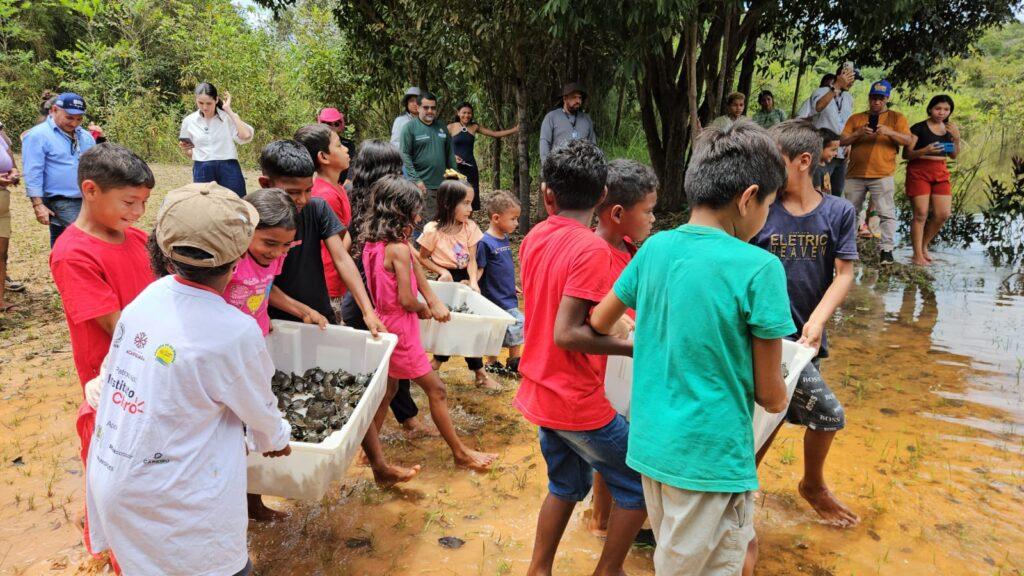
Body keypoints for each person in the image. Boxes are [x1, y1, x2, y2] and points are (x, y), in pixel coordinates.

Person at [588, 121, 792, 575]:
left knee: (684, 553)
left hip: (650, 447)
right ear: (747, 197)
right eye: (769, 206)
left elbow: (601, 320)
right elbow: (770, 394)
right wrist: (784, 388)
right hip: (709, 458)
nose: (766, 217)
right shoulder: (760, 268)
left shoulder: (655, 247)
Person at [86, 182, 292, 576]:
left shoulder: (147, 298)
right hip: (177, 498)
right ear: (239, 254)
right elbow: (261, 410)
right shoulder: (234, 330)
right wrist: (276, 440)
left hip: (116, 480)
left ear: (165, 249)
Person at [516, 140, 645, 576]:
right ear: (604, 196)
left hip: (540, 391)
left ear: (547, 194)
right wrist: (637, 346)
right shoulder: (590, 249)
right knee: (640, 484)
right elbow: (568, 333)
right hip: (575, 400)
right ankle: (608, 571)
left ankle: (539, 569)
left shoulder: (535, 235)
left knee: (566, 485)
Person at [747, 119, 859, 572]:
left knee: (772, 415)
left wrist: (817, 320)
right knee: (823, 413)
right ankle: (799, 486)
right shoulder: (761, 207)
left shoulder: (837, 212)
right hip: (767, 337)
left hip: (805, 340)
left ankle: (750, 487)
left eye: (776, 160)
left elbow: (844, 273)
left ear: (803, 162)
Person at [48, 143, 155, 570]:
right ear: (90, 190)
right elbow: (120, 328)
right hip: (113, 381)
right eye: (130, 202)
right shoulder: (73, 254)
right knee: (115, 471)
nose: (139, 213)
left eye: (144, 203)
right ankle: (115, 550)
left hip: (153, 368)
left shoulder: (139, 238)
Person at [360, 174, 499, 471]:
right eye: (415, 211)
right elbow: (407, 300)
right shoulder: (397, 248)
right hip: (401, 327)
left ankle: (366, 452)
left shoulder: (374, 243)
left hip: (386, 322)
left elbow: (412, 271)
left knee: (388, 390)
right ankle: (460, 453)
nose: (420, 215)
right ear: (400, 211)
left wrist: (433, 301)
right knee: (437, 390)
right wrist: (427, 309)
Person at [341, 140, 439, 439]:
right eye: (395, 167)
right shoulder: (360, 202)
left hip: (375, 295)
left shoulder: (382, 208)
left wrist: (430, 295)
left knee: (389, 378)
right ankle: (384, 431)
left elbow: (407, 254)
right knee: (385, 377)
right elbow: (342, 252)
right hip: (375, 301)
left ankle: (388, 427)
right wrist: (421, 304)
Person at [588, 158, 658, 540]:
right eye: (647, 211)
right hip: (609, 364)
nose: (652, 219)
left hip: (628, 358)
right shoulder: (596, 254)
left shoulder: (631, 248)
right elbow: (596, 315)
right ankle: (600, 521)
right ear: (617, 212)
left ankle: (607, 516)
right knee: (609, 450)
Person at [257, 140, 385, 336]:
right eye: (292, 193)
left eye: (308, 189)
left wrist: (368, 311)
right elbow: (257, 280)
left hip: (319, 313)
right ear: (266, 184)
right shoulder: (253, 219)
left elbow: (342, 259)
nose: (303, 199)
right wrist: (302, 311)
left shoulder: (317, 209)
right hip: (274, 320)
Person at [417, 176, 500, 390]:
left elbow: (472, 259)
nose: (470, 209)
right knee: (446, 324)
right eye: (465, 203)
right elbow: (422, 257)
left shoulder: (470, 227)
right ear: (447, 203)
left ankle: (478, 373)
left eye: (471, 203)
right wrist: (441, 271)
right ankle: (435, 364)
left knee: (470, 327)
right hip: (445, 282)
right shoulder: (432, 230)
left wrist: (473, 281)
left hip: (465, 279)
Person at [840, 80, 912, 264]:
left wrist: (888, 132)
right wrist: (858, 134)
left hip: (882, 173)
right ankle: (848, 247)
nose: (876, 102)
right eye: (873, 98)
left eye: (881, 98)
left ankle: (886, 250)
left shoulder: (897, 118)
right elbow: (841, 141)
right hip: (855, 173)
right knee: (850, 211)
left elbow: (907, 140)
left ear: (887, 98)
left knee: (886, 212)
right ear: (869, 98)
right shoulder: (856, 118)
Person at [294, 123, 353, 322]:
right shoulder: (325, 195)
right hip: (330, 280)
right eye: (338, 146)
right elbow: (337, 244)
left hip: (338, 275)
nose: (346, 149)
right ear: (324, 157)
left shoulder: (338, 187)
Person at [22, 92, 97, 246]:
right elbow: (33, 172)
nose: (74, 123)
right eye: (69, 117)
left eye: (79, 119)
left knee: (62, 240)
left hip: (87, 199)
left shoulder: (85, 136)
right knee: (89, 238)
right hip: (60, 199)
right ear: (54, 110)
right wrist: (38, 205)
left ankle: (60, 269)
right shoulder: (38, 135)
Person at [904, 95, 960, 266]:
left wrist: (956, 138)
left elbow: (954, 155)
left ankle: (923, 245)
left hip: (940, 170)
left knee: (943, 214)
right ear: (930, 109)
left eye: (946, 109)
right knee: (920, 214)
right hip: (919, 170)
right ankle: (917, 255)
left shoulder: (949, 128)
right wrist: (925, 149)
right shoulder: (919, 128)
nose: (941, 112)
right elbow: (906, 154)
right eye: (938, 108)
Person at [179, 82, 254, 198]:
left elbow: (246, 136)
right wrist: (185, 149)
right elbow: (191, 153)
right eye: (200, 103)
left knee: (236, 202)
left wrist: (228, 110)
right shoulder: (189, 121)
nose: (205, 107)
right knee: (205, 205)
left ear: (216, 100)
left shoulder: (226, 117)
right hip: (202, 168)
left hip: (228, 167)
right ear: (196, 100)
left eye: (209, 103)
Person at [477, 191, 523, 376]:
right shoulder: (484, 242)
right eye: (513, 219)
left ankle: (513, 361)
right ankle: (494, 362)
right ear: (496, 218)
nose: (516, 223)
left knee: (512, 325)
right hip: (494, 297)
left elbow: (503, 267)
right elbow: (480, 269)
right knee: (500, 328)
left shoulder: (503, 238)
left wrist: (511, 285)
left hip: (508, 294)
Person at [447, 101, 519, 210]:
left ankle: (468, 224)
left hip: (470, 167)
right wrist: (452, 156)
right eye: (464, 112)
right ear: (458, 113)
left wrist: (515, 129)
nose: (466, 115)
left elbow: (495, 134)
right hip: (454, 168)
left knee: (470, 198)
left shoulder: (474, 127)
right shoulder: (451, 127)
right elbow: (441, 144)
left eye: (469, 113)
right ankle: (455, 226)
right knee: (454, 199)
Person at [400, 91, 457, 224]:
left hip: (443, 185)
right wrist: (416, 179)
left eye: (433, 107)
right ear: (418, 107)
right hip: (422, 186)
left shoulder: (442, 127)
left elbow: (450, 154)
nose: (430, 111)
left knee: (443, 223)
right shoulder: (409, 128)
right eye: (426, 107)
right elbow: (405, 155)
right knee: (425, 227)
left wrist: (455, 177)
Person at [808, 65, 859, 197]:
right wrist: (835, 87)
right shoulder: (821, 92)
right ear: (842, 75)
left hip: (841, 152)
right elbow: (818, 107)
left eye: (854, 79)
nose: (852, 82)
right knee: (818, 190)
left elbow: (847, 123)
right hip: (823, 151)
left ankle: (831, 217)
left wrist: (849, 143)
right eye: (851, 78)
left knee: (836, 191)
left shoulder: (849, 98)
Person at [539, 82, 597, 164]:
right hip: (558, 169)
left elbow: (593, 145)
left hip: (582, 171)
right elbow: (544, 143)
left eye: (580, 98)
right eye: (574, 97)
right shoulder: (551, 117)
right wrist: (546, 167)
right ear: (565, 98)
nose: (578, 101)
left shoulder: (586, 119)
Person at [0, 121, 21, 312]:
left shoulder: (1, 137)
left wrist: (13, 173)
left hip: (2, 202)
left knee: (1, 254)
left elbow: (11, 163)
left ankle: (0, 301)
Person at [318, 107, 357, 184]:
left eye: (336, 124)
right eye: (328, 123)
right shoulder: (316, 143)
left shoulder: (348, 144)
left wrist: (348, 181)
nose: (332, 127)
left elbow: (352, 163)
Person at [813, 129, 841, 194]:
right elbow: (818, 194)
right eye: (833, 150)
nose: (836, 154)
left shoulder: (824, 165)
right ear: (820, 148)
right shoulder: (816, 169)